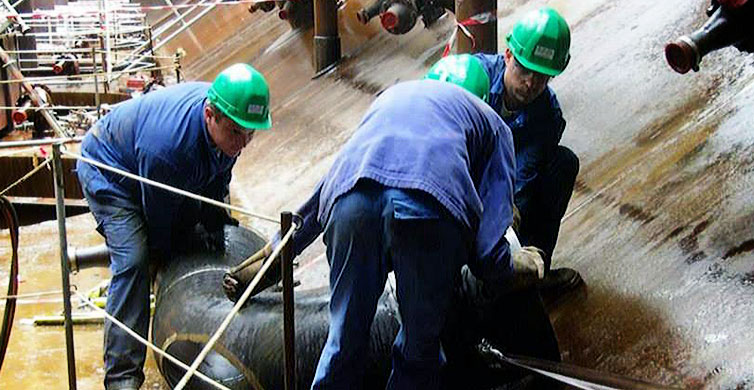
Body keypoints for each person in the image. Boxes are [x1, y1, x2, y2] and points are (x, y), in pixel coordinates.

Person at [224, 55, 546, 389]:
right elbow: (488, 253)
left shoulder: (393, 98)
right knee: (419, 353)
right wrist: (515, 266)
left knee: (343, 341)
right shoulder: (493, 125)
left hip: (349, 204)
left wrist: (274, 258)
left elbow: (330, 187)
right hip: (426, 210)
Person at [76, 63, 272, 390]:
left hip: (155, 164)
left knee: (204, 229)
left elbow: (218, 174)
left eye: (251, 132)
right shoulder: (167, 148)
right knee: (135, 259)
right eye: (237, 132)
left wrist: (214, 223)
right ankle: (122, 376)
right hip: (110, 171)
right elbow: (160, 221)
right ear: (210, 114)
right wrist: (167, 250)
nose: (244, 142)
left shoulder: (229, 116)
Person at [473, 7, 583, 296]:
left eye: (542, 76)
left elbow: (523, 177)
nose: (531, 83)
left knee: (563, 163)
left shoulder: (547, 114)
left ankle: (534, 269)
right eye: (525, 69)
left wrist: (508, 224)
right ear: (508, 54)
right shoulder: (474, 81)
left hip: (506, 194)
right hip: (464, 182)